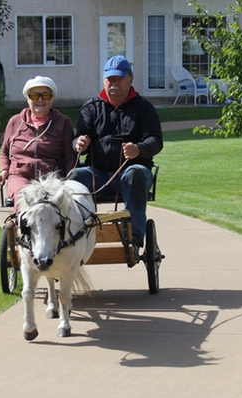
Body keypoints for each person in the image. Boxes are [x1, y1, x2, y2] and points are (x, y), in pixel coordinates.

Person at [71, 55, 163, 257]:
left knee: (135, 173)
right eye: (110, 79)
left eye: (119, 79)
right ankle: (73, 236)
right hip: (97, 174)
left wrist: (138, 149)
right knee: (74, 178)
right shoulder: (91, 108)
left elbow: (156, 141)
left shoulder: (144, 108)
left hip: (132, 172)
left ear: (130, 79)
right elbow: (78, 138)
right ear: (104, 80)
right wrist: (79, 144)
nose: (114, 83)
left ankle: (135, 237)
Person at [0, 76, 77, 212]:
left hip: (51, 178)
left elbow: (70, 156)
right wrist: (4, 170)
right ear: (27, 99)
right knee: (24, 199)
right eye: (34, 95)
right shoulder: (15, 122)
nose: (40, 99)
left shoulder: (63, 123)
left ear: (52, 98)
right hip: (20, 176)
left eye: (45, 95)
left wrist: (69, 178)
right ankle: (21, 231)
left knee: (53, 208)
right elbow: (4, 152)